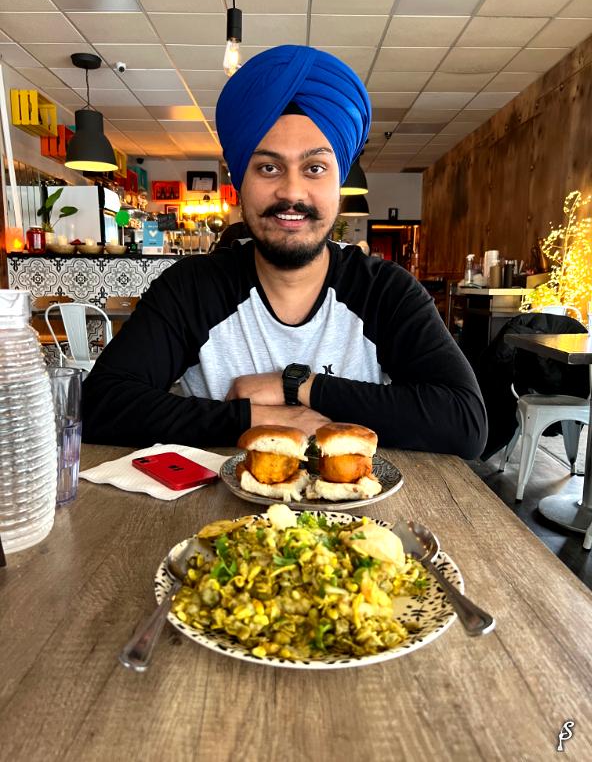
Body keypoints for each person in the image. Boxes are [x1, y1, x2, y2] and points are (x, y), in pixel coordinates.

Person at [82, 45, 487, 458]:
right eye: (268, 167)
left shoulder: (385, 290)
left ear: (338, 184)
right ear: (240, 183)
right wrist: (250, 418)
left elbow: (465, 422)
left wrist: (296, 385)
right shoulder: (193, 288)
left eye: (315, 168)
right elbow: (101, 403)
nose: (292, 192)